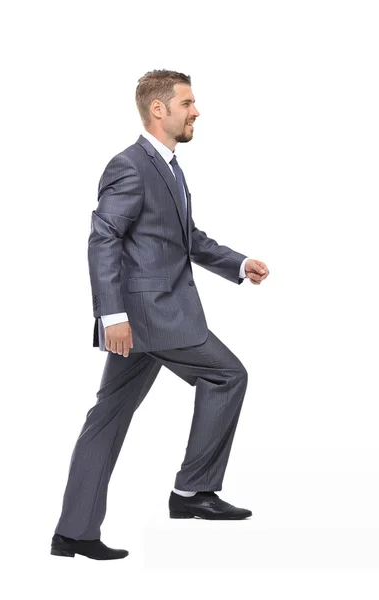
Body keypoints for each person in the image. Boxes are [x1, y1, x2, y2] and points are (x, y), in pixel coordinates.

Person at [51, 69, 270, 561]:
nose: (196, 111)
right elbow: (102, 238)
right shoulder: (129, 165)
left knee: (107, 416)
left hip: (146, 319)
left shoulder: (169, 167)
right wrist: (112, 317)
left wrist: (237, 263)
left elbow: (186, 239)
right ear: (158, 109)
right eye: (188, 103)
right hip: (152, 315)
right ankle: (193, 492)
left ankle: (74, 533)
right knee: (227, 375)